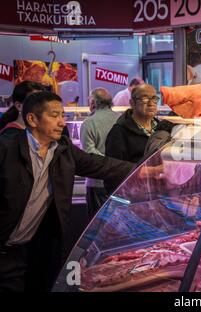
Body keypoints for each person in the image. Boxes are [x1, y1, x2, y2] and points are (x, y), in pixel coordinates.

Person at [0, 91, 135, 291]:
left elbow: (101, 165)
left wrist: (145, 169)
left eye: (63, 115)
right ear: (32, 119)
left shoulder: (63, 149)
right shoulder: (6, 149)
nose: (62, 122)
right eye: (54, 116)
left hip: (29, 249)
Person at [105, 83, 159, 193]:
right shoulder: (119, 132)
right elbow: (112, 172)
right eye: (144, 98)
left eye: (154, 98)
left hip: (157, 195)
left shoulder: (161, 128)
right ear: (132, 103)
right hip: (132, 196)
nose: (151, 103)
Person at [80, 88, 119, 219]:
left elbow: (89, 154)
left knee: (97, 224)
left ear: (92, 103)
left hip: (97, 183)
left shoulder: (89, 122)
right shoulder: (121, 119)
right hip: (119, 181)